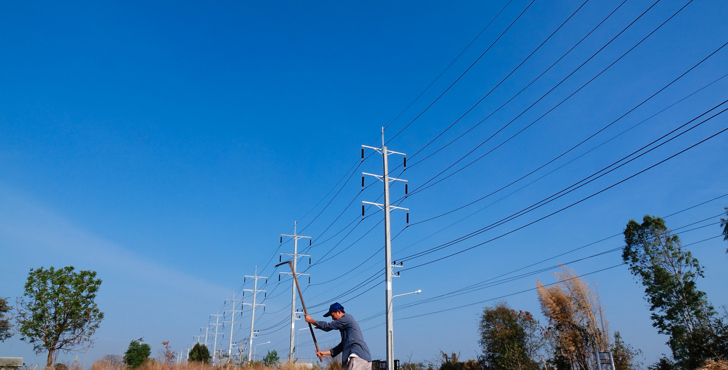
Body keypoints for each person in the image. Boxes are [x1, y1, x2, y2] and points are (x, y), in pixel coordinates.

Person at [305, 302, 372, 370]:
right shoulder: (346, 325)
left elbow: (327, 326)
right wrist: (326, 353)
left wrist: (311, 320)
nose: (332, 319)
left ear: (339, 312)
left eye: (332, 315)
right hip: (366, 359)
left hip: (358, 357)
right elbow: (342, 346)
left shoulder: (346, 318)